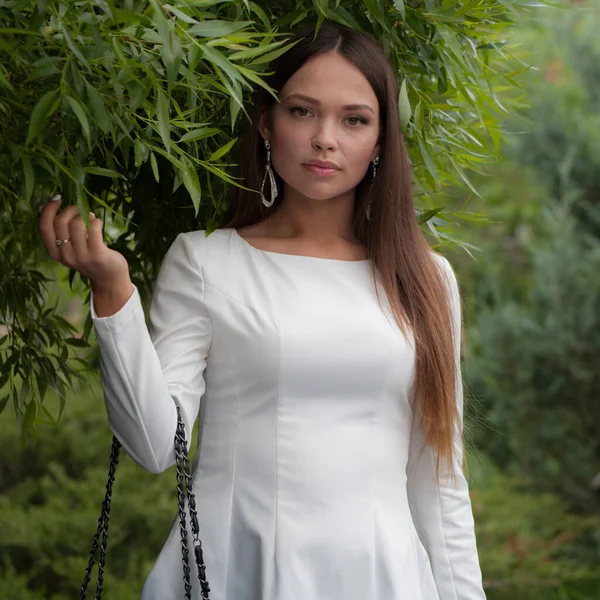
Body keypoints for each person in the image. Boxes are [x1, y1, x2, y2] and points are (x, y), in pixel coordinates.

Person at [38, 22, 486, 600]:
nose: (326, 138)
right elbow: (154, 446)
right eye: (302, 111)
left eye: (354, 119)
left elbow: (440, 481)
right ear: (266, 123)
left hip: (385, 579)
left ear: (380, 142)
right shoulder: (206, 263)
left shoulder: (427, 280)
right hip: (237, 571)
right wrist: (113, 291)